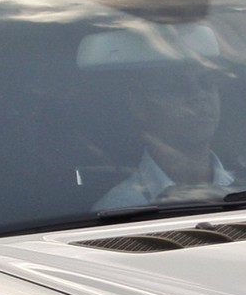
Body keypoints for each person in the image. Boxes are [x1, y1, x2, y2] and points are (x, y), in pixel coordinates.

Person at [80, 25, 236, 212]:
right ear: (139, 104)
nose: (198, 96)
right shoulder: (118, 211)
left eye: (207, 83)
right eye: (178, 86)